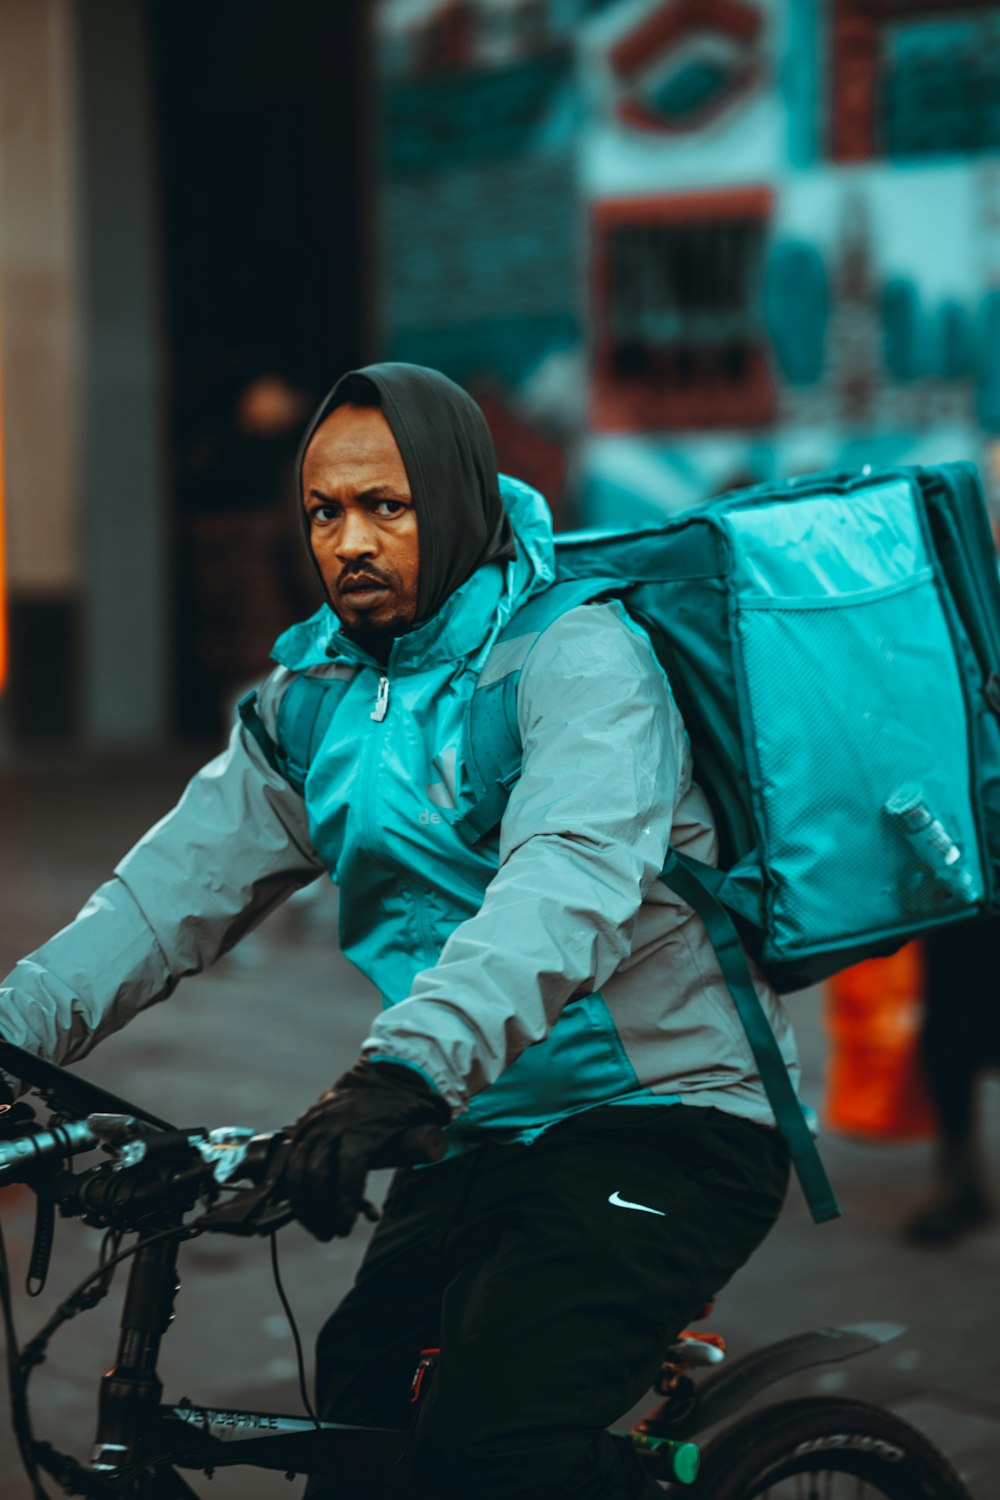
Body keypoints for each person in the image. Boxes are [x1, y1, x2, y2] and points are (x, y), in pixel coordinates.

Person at [0, 363, 797, 1500]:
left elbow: (562, 883)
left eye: (388, 505)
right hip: (472, 1116)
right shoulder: (313, 690)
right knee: (364, 1405)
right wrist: (12, 1033)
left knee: (489, 1448)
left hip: (664, 1114)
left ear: (460, 499)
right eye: (325, 511)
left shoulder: (575, 655)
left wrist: (402, 1070)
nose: (350, 542)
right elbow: (161, 898)